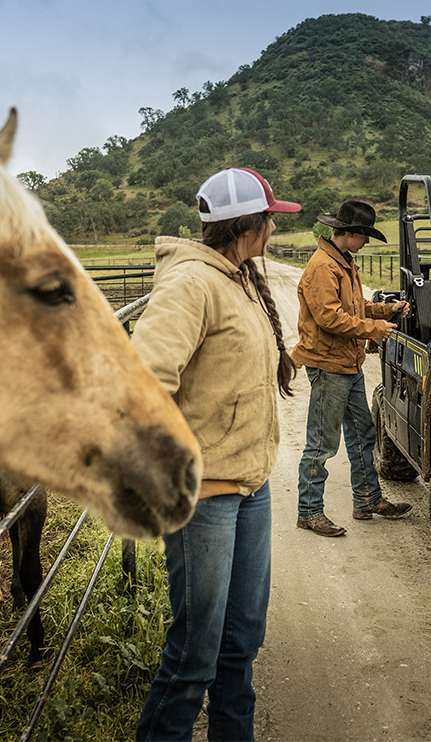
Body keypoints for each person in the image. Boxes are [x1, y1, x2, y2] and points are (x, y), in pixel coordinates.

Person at [132, 167, 299, 741]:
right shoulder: (191, 284)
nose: (275, 229)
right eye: (272, 219)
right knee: (195, 654)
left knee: (240, 643)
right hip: (205, 497)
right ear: (251, 226)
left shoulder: (237, 277)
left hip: (249, 490)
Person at [293, 199, 412, 538]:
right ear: (349, 233)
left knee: (363, 432)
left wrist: (383, 310)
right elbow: (330, 318)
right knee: (322, 442)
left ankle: (368, 500)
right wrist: (374, 329)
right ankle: (309, 511)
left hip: (347, 362)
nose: (367, 243)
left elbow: (354, 308)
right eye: (365, 236)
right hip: (329, 364)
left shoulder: (342, 262)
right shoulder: (323, 268)